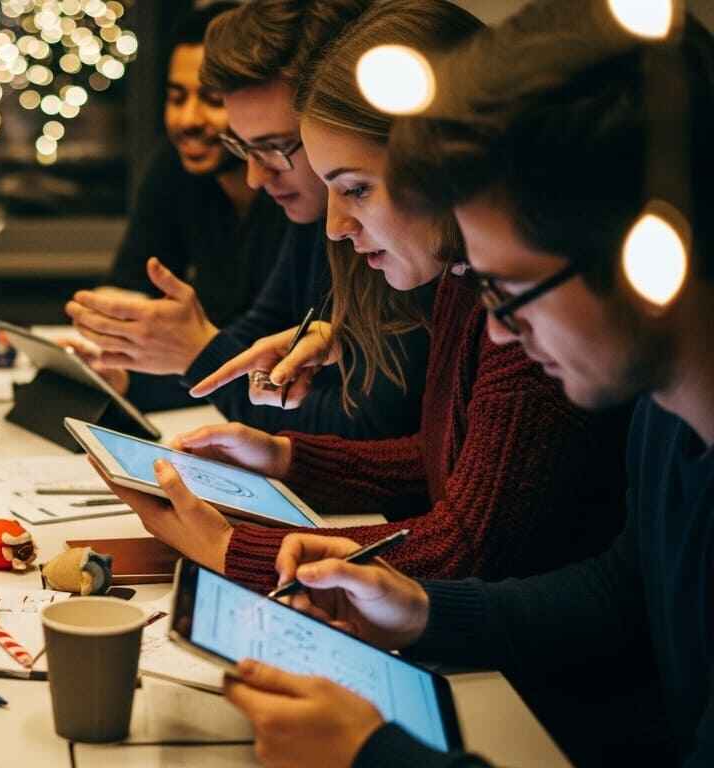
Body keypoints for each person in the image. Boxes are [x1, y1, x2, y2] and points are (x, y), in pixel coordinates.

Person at [226, 2, 714, 764]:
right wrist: (422, 612)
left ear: (647, 255)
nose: (493, 331)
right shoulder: (668, 417)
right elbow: (625, 590)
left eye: (508, 292)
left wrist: (372, 757)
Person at [94, 0, 629, 595]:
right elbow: (438, 460)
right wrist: (286, 459)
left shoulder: (517, 305)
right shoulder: (458, 276)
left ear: (437, 164)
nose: (333, 226)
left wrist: (228, 549)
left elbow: (469, 544)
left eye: (355, 189)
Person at [68, 0, 430, 440]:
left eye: (275, 148)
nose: (256, 178)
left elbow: (374, 429)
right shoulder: (314, 215)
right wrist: (140, 371)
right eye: (242, 149)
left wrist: (200, 351)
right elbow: (260, 335)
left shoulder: (410, 249)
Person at [83, 2, 289, 410]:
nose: (188, 119)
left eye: (211, 99)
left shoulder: (299, 196)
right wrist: (101, 328)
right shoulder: (173, 167)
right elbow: (133, 284)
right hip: (214, 400)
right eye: (176, 98)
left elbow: (272, 348)